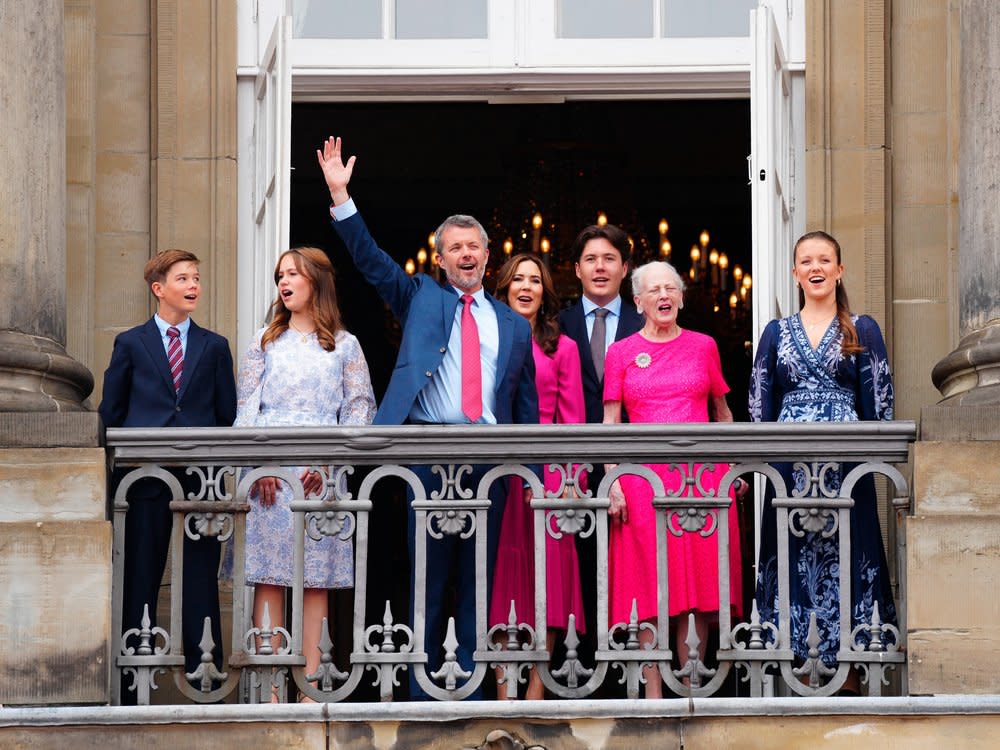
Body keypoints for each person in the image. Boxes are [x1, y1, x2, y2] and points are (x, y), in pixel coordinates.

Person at [316, 136, 539, 700]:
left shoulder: (513, 325)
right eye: (454, 247)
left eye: (474, 247)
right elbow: (370, 261)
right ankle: (421, 694)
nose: (466, 255)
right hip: (428, 454)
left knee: (478, 581)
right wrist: (342, 196)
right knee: (427, 575)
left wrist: (534, 475)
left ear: (489, 257)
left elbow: (526, 408)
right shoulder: (419, 296)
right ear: (439, 258)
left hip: (489, 459)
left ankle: (467, 690)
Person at [748, 230, 896, 692]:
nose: (816, 267)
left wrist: (871, 459)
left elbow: (881, 400)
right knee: (791, 555)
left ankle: (850, 669)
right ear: (795, 273)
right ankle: (793, 664)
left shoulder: (862, 329)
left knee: (849, 553)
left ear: (839, 270)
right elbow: (759, 405)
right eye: (806, 261)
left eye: (824, 260)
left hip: (846, 465)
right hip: (790, 465)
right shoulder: (775, 332)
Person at [233, 246, 376, 700]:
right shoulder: (263, 341)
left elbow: (359, 410)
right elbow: (246, 410)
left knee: (317, 580)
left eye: (293, 273)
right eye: (280, 275)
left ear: (316, 280)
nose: (284, 282)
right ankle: (272, 690)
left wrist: (329, 463)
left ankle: (311, 687)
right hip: (270, 475)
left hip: (323, 473)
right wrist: (260, 466)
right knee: (271, 577)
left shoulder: (345, 344)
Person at [99, 249, 237, 704]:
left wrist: (214, 467)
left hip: (201, 480)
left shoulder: (215, 346)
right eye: (183, 278)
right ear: (159, 288)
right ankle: (132, 677)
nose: (193, 285)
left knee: (200, 574)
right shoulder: (131, 344)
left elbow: (225, 414)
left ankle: (205, 674)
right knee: (140, 572)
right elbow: (111, 413)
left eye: (196, 277)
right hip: (144, 480)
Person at [603, 260, 743, 699]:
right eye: (654, 290)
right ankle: (652, 697)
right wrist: (613, 481)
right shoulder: (621, 352)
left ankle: (693, 689)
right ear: (638, 301)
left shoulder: (704, 346)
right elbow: (609, 423)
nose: (664, 296)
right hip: (643, 482)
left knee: (697, 587)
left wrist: (733, 467)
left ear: (682, 297)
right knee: (648, 586)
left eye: (672, 288)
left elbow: (723, 416)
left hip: (701, 480)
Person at [489, 253, 587, 700]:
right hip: (498, 476)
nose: (526, 287)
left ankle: (535, 690)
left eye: (535, 281)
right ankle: (503, 689)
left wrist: (570, 484)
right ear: (504, 285)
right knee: (502, 580)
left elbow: (572, 420)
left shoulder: (562, 347)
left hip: (547, 477)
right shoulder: (487, 338)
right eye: (518, 279)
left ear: (546, 293)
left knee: (550, 579)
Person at [558, 224, 644, 673]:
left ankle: (626, 668)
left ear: (625, 268)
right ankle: (578, 668)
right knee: (574, 568)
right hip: (570, 466)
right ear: (576, 269)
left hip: (632, 468)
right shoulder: (558, 323)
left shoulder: (646, 320)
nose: (600, 267)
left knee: (630, 569)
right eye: (591, 259)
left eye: (609, 258)